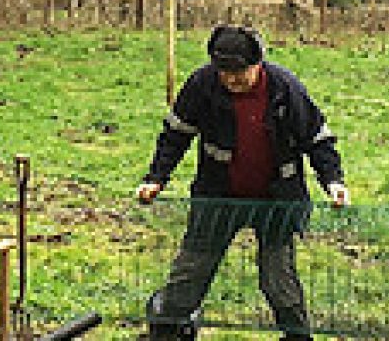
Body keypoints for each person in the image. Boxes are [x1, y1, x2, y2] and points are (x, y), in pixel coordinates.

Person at [136, 25, 349, 341]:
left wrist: (333, 181)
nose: (232, 79)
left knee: (279, 282)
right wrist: (155, 179)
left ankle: (297, 337)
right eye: (225, 72)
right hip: (218, 196)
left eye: (240, 72)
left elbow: (316, 138)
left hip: (277, 199)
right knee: (190, 273)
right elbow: (175, 135)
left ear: (258, 63)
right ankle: (166, 331)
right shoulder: (202, 85)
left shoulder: (285, 88)